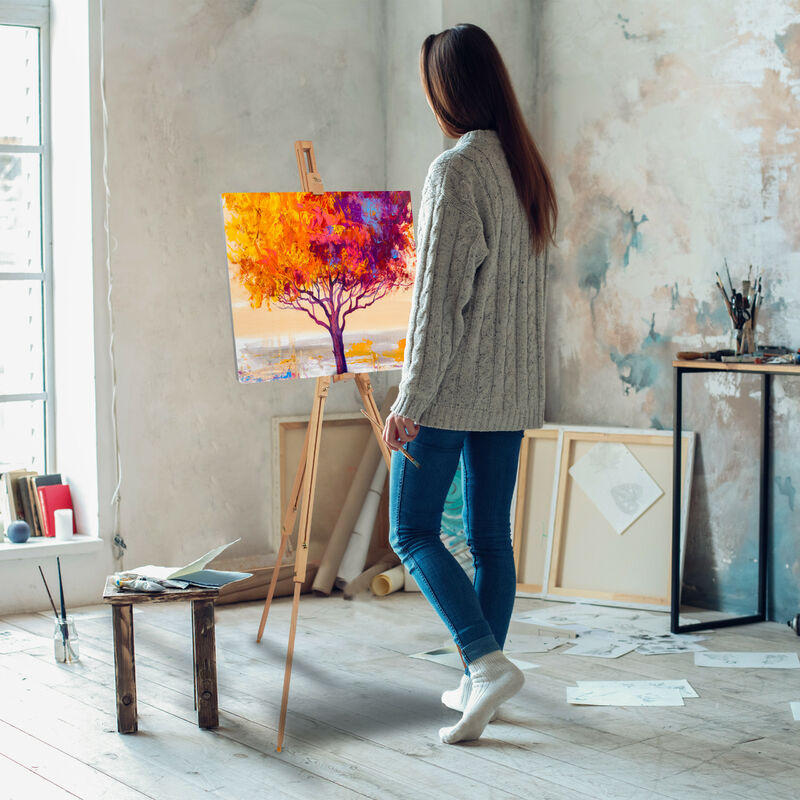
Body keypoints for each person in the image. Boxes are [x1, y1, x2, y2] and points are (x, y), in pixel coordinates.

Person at [382, 23, 557, 745]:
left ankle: (483, 664)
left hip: (451, 391)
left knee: (411, 530)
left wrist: (407, 403)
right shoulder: (523, 168)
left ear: (446, 91)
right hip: (509, 392)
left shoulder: (454, 170)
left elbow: (437, 308)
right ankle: (480, 679)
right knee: (490, 538)